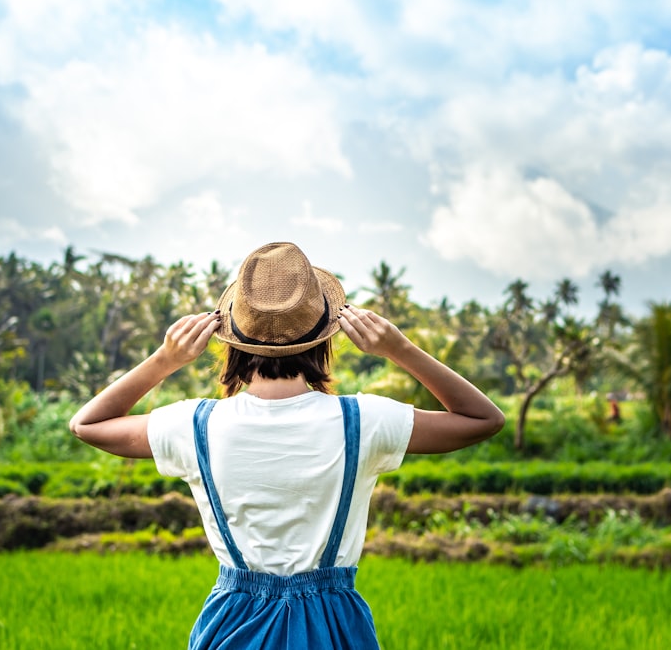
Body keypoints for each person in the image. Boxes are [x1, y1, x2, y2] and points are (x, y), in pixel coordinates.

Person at [69, 241, 505, 649]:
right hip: (334, 624)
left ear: (230, 339)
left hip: (231, 624)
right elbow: (482, 419)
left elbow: (88, 424)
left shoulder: (195, 424)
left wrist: (166, 359)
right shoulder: (364, 420)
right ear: (325, 339)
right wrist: (401, 349)